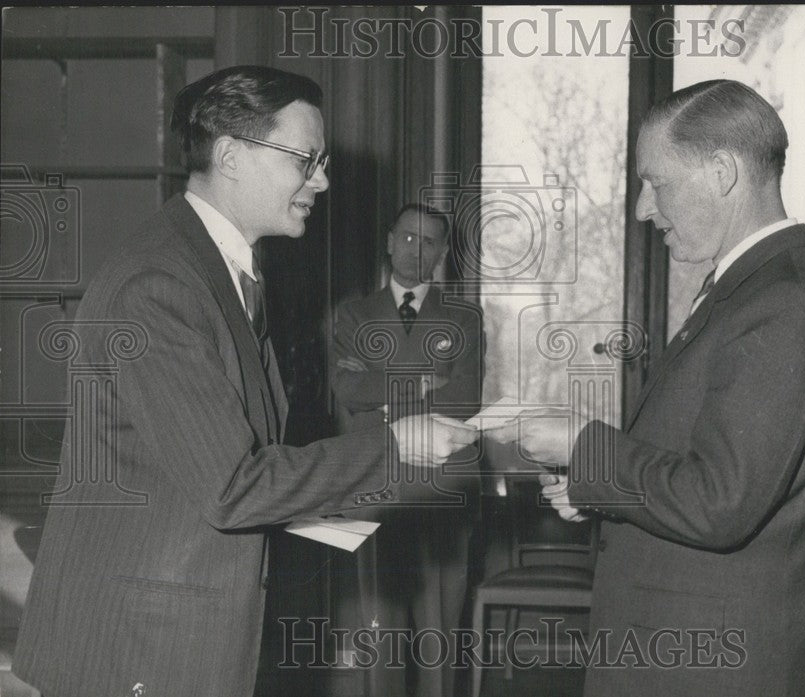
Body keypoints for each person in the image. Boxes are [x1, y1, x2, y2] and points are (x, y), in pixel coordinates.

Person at [12, 65, 477, 697]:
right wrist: (397, 445)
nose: (323, 180)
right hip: (134, 649)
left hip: (172, 628)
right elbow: (232, 485)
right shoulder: (163, 285)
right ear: (231, 156)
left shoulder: (216, 270)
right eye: (305, 160)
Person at [492, 79, 805, 696]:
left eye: (655, 182)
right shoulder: (751, 287)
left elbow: (720, 501)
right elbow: (707, 466)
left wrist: (585, 446)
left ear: (722, 172)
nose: (641, 208)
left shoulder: (784, 303)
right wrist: (596, 486)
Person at [332, 203, 484, 697]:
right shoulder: (353, 314)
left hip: (443, 483)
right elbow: (346, 390)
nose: (418, 250)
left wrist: (380, 390)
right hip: (373, 476)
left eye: (431, 241)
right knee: (375, 617)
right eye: (408, 237)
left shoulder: (463, 317)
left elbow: (464, 397)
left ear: (443, 252)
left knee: (439, 617)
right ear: (390, 240)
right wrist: (422, 380)